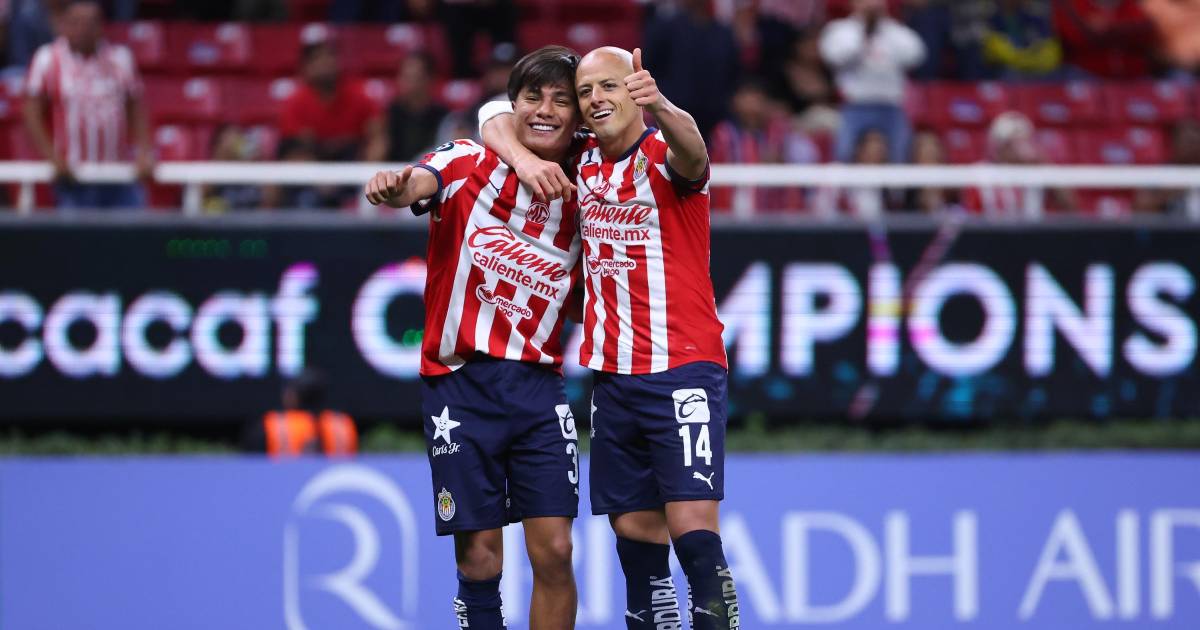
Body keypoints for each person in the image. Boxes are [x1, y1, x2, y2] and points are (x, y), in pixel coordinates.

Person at [480, 45, 742, 629]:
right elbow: (492, 116)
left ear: (636, 90)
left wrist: (661, 105)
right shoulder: (583, 161)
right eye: (586, 91)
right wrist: (521, 158)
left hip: (681, 371)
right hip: (613, 380)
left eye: (610, 86)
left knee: (695, 536)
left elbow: (695, 152)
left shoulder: (663, 155)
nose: (596, 98)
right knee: (637, 547)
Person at [364, 45, 583, 630]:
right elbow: (418, 182)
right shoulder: (466, 159)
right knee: (480, 558)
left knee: (556, 551)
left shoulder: (587, 182)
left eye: (561, 100)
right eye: (533, 97)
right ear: (513, 105)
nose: (545, 110)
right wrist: (394, 185)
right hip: (459, 389)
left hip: (539, 388)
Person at [23, 0, 153, 210]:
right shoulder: (48, 59)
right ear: (63, 25)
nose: (83, 29)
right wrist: (52, 157)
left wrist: (144, 151)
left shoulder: (120, 58)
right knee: (74, 231)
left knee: (135, 228)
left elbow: (135, 107)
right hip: (73, 177)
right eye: (76, 22)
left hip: (118, 175)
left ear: (101, 26)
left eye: (91, 23)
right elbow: (32, 113)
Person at [820, 0, 925, 164]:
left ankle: (896, 182)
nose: (871, 5)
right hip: (855, 106)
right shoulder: (841, 29)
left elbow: (916, 55)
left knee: (901, 155)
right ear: (854, 4)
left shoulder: (894, 31)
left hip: (890, 106)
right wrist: (864, 32)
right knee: (843, 153)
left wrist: (883, 29)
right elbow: (836, 57)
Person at [243, 368, 358, 457]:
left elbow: (252, 463)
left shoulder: (273, 424)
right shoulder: (342, 424)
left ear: (293, 396)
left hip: (282, 479)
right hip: (332, 478)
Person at [386, 52, 449, 162]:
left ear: (430, 79)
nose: (408, 83)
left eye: (415, 77)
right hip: (396, 170)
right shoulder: (389, 115)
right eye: (405, 77)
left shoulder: (444, 118)